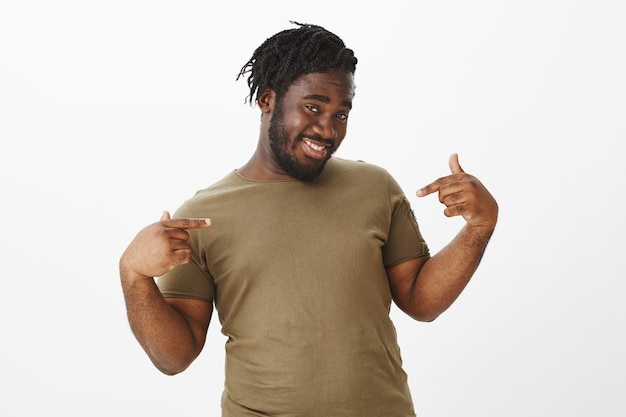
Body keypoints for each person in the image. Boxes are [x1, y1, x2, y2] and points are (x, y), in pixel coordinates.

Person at [119, 22, 498, 417]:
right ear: (268, 99)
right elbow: (174, 358)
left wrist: (479, 228)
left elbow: (421, 301)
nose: (328, 129)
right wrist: (134, 275)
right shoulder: (204, 217)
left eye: (341, 114)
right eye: (313, 107)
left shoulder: (375, 187)